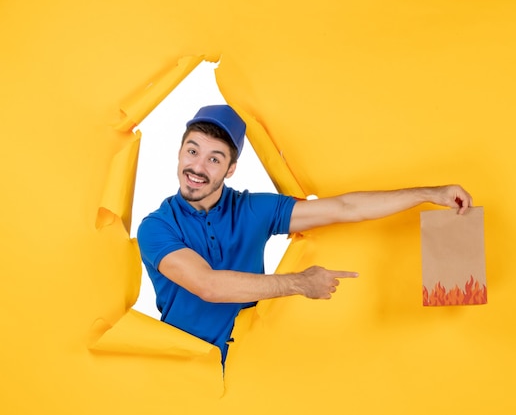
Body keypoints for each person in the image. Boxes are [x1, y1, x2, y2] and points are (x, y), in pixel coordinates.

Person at [137, 105, 473, 365]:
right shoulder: (156, 227)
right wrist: (299, 283)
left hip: (252, 365)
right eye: (192, 151)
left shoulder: (254, 210)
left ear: (231, 169)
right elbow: (207, 285)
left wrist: (430, 193)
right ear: (180, 153)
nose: (198, 167)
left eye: (214, 159)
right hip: (185, 374)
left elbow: (345, 208)